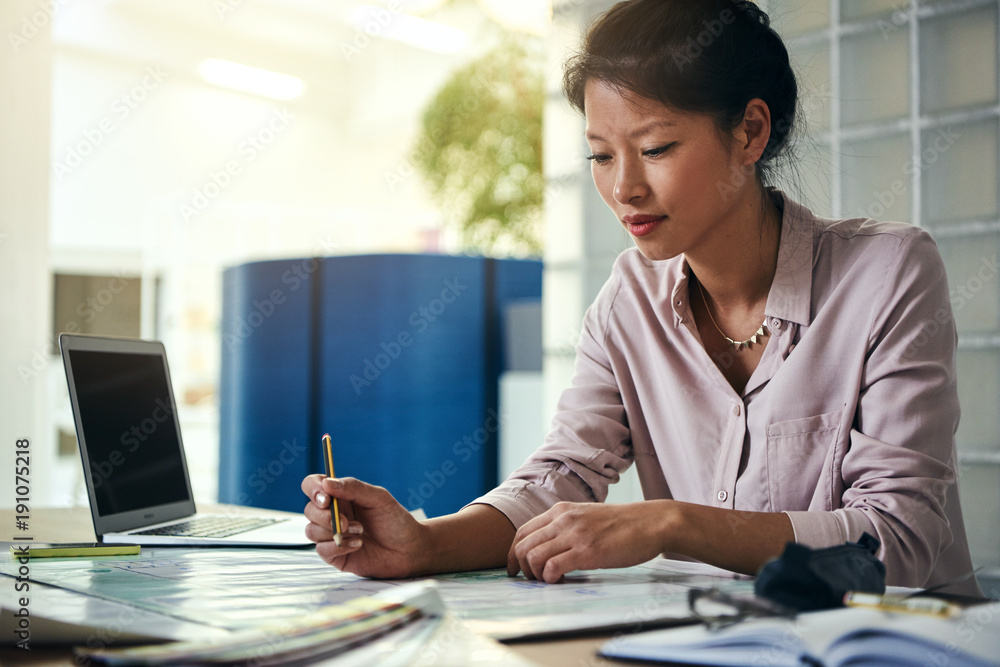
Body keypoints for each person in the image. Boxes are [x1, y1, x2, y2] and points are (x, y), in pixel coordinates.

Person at [301, 0, 979, 593]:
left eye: (655, 148)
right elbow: (561, 477)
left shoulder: (888, 271)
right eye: (601, 155)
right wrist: (427, 544)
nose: (624, 187)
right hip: (713, 640)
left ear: (750, 131)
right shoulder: (628, 299)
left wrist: (672, 523)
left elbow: (900, 543)